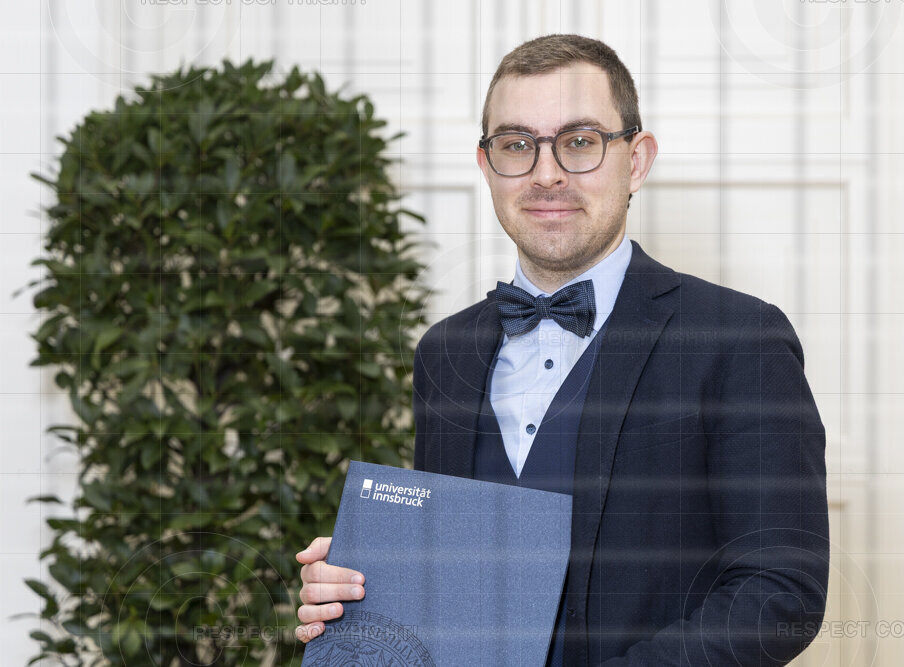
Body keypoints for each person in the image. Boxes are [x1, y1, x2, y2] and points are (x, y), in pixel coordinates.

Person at [295, 34, 829, 666]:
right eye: (517, 145)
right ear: (487, 166)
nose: (546, 174)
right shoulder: (444, 352)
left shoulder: (740, 338)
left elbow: (780, 595)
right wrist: (361, 595)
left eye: (579, 141)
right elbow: (451, 581)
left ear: (636, 161)